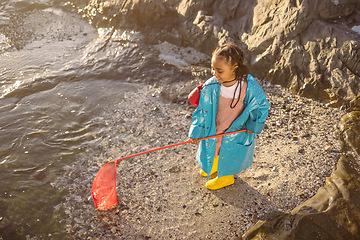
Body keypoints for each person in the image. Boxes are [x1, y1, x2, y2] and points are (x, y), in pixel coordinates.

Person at [188, 41, 270, 190]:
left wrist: (253, 124)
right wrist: (196, 131)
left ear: (234, 68)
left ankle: (226, 176)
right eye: (213, 69)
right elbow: (201, 111)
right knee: (214, 145)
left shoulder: (248, 86)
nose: (214, 74)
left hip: (235, 128)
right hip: (216, 125)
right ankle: (214, 166)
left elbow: (261, 106)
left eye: (219, 70)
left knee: (230, 150)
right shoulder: (211, 86)